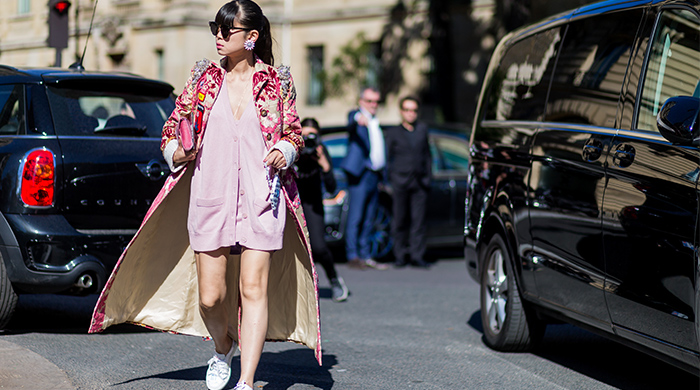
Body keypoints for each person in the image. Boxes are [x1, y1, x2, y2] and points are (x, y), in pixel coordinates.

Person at [88, 2, 322, 390]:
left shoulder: (277, 83)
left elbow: (294, 132)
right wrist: (177, 153)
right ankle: (222, 345)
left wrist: (286, 148)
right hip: (210, 196)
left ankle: (246, 380)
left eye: (226, 30)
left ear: (251, 38)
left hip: (262, 199)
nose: (218, 36)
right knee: (211, 297)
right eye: (216, 27)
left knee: (254, 290)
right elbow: (169, 132)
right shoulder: (202, 80)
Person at [295, 117, 350, 302]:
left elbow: (332, 187)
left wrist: (324, 165)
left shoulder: (320, 152)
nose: (309, 139)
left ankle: (334, 279)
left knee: (318, 247)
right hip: (293, 204)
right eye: (305, 135)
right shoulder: (294, 149)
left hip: (313, 203)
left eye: (313, 135)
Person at [340, 87, 390, 270]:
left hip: (374, 175)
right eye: (369, 101)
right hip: (360, 174)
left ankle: (365, 255)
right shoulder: (358, 117)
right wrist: (357, 118)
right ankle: (352, 255)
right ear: (361, 102)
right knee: (356, 216)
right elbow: (351, 121)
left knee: (370, 217)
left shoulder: (376, 122)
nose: (373, 105)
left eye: (376, 101)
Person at [384, 96, 431, 268]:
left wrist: (428, 178)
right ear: (401, 112)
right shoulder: (393, 132)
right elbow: (388, 158)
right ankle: (400, 255)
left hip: (419, 183)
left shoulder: (422, 130)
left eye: (414, 110)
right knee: (400, 220)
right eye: (407, 110)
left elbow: (427, 155)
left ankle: (417, 256)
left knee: (418, 221)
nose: (411, 114)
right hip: (400, 182)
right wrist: (389, 180)